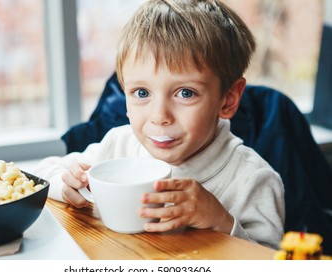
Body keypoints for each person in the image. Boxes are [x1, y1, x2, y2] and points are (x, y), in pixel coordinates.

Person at [35, 0, 285, 249]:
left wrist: (222, 221)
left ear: (228, 100)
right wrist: (65, 185)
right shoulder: (120, 144)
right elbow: (42, 174)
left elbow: (272, 262)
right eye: (142, 93)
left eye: (185, 93)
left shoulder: (254, 180)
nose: (159, 116)